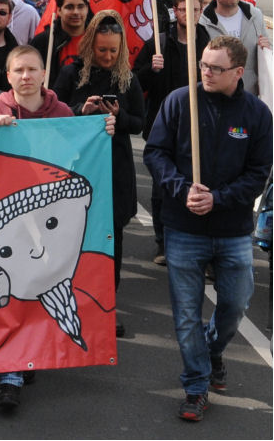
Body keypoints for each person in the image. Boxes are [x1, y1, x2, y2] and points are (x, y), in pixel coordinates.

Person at [144, 36, 272, 422]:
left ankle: (212, 349)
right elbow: (155, 152)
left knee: (234, 306)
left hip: (232, 229)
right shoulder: (180, 101)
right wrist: (183, 190)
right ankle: (196, 385)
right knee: (186, 314)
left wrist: (219, 198)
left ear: (238, 72)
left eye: (215, 68)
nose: (206, 72)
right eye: (203, 64)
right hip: (183, 227)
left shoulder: (257, 114)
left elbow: (259, 174)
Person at [0, 44, 79, 411]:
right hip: (7, 228)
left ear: (44, 74)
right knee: (10, 295)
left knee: (38, 293)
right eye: (19, 71)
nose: (26, 77)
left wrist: (103, 128)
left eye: (33, 70)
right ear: (8, 75)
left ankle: (27, 355)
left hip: (49, 226)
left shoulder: (62, 112)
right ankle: (11, 375)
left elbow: (79, 156)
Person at [53, 10, 143, 309]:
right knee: (70, 240)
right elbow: (53, 112)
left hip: (115, 169)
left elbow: (139, 123)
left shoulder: (128, 78)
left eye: (113, 51)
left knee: (111, 240)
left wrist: (120, 115)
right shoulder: (71, 73)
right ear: (91, 45)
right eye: (102, 50)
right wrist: (81, 110)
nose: (107, 56)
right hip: (76, 168)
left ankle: (107, 306)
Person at [134, 0, 211, 265]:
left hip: (199, 126)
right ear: (174, 11)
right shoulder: (159, 43)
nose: (188, 14)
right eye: (182, 9)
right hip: (162, 126)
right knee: (161, 188)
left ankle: (197, 244)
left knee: (199, 184)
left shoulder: (209, 44)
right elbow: (135, 84)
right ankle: (163, 243)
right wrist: (150, 70)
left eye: (194, 9)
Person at [198, 0, 271, 96]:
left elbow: (268, 48)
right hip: (216, 95)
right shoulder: (202, 20)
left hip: (249, 93)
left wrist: (267, 46)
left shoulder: (255, 15)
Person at [30, 0, 92, 87]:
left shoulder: (97, 39)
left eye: (80, 7)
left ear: (87, 9)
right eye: (69, 7)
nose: (76, 12)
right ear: (59, 10)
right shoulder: (44, 41)